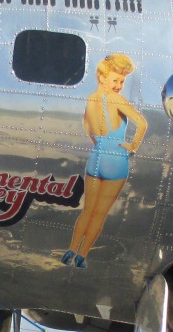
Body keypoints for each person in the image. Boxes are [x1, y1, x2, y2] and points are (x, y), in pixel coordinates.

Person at [62, 52, 147, 268]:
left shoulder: (91, 99)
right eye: (116, 79)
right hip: (116, 160)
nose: (119, 85)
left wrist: (98, 142)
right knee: (99, 214)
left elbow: (87, 127)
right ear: (103, 77)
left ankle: (70, 249)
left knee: (87, 211)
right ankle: (81, 255)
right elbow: (142, 123)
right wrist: (133, 145)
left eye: (122, 81)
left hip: (96, 158)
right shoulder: (117, 100)